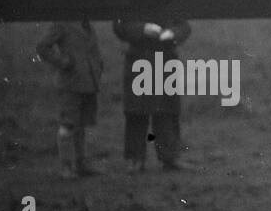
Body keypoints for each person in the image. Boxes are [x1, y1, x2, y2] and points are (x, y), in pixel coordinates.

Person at [113, 17, 191, 171]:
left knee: (167, 111)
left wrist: (172, 33)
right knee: (136, 112)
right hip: (138, 59)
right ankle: (135, 160)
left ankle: (170, 158)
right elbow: (119, 26)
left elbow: (184, 26)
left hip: (166, 60)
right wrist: (143, 28)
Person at [35, 17, 103, 179]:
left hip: (88, 82)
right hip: (70, 83)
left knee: (81, 124)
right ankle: (66, 167)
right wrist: (62, 61)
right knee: (68, 125)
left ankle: (81, 164)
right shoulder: (61, 23)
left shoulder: (87, 24)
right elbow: (42, 46)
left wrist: (98, 67)